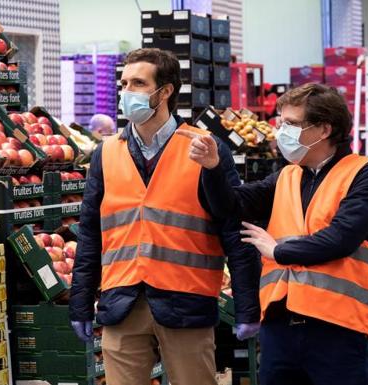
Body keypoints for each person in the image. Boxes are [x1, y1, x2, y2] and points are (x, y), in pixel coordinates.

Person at [179, 83, 368, 385]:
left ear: (323, 129)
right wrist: (214, 167)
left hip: (337, 329)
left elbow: (341, 238)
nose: (282, 131)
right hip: (280, 326)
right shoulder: (287, 175)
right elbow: (232, 205)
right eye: (280, 122)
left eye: (292, 124)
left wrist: (277, 251)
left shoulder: (366, 174)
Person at [68, 48, 261, 385]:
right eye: (124, 83)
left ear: (166, 91)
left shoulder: (206, 149)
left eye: (138, 83)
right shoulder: (106, 152)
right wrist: (80, 301)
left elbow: (234, 227)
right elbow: (89, 234)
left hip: (186, 302)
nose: (127, 91)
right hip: (122, 302)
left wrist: (247, 304)